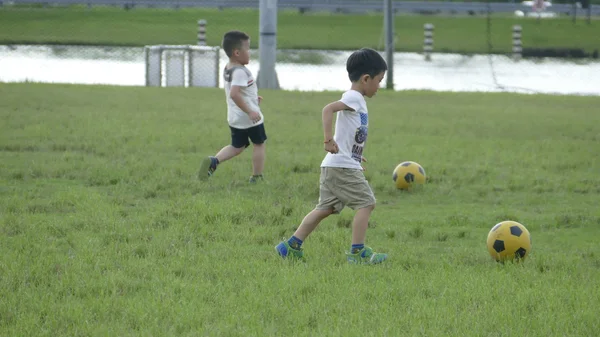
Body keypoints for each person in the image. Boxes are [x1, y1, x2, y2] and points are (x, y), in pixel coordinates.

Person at [275, 48, 388, 264]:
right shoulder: (354, 97)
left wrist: (355, 156)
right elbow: (327, 109)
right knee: (367, 204)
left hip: (337, 164)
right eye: (379, 80)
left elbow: (350, 133)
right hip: (341, 166)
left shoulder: (357, 99)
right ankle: (357, 252)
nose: (379, 86)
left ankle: (290, 246)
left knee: (325, 209)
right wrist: (328, 140)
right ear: (366, 79)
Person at [199, 30, 267, 183]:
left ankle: (214, 161)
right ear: (237, 52)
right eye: (248, 49)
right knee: (259, 143)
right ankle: (257, 177)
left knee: (237, 146)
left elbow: (239, 91)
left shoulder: (228, 67)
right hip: (249, 117)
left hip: (235, 117)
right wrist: (250, 110)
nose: (250, 52)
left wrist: (253, 99)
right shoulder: (241, 72)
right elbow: (235, 94)